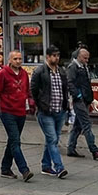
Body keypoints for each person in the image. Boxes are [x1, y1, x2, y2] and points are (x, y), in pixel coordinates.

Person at [0, 50, 34, 182]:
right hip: (7, 110)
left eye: (20, 59)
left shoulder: (24, 74)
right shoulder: (3, 73)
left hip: (20, 110)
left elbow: (27, 90)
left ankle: (5, 168)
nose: (18, 61)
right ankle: (24, 169)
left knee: (12, 140)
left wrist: (31, 103)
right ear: (9, 60)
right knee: (16, 141)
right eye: (15, 59)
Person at [30, 45, 71, 178]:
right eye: (53, 55)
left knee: (52, 139)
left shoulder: (62, 71)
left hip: (59, 110)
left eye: (58, 55)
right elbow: (34, 90)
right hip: (46, 111)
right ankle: (59, 167)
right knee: (53, 139)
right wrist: (40, 105)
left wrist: (66, 107)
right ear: (47, 57)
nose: (56, 58)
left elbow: (65, 89)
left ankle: (46, 166)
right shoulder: (40, 71)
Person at [66, 48, 98, 160]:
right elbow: (70, 82)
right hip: (79, 100)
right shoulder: (73, 67)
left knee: (78, 125)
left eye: (88, 58)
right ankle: (94, 150)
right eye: (85, 58)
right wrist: (77, 95)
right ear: (78, 56)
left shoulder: (84, 67)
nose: (87, 60)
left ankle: (71, 148)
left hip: (85, 98)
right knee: (87, 124)